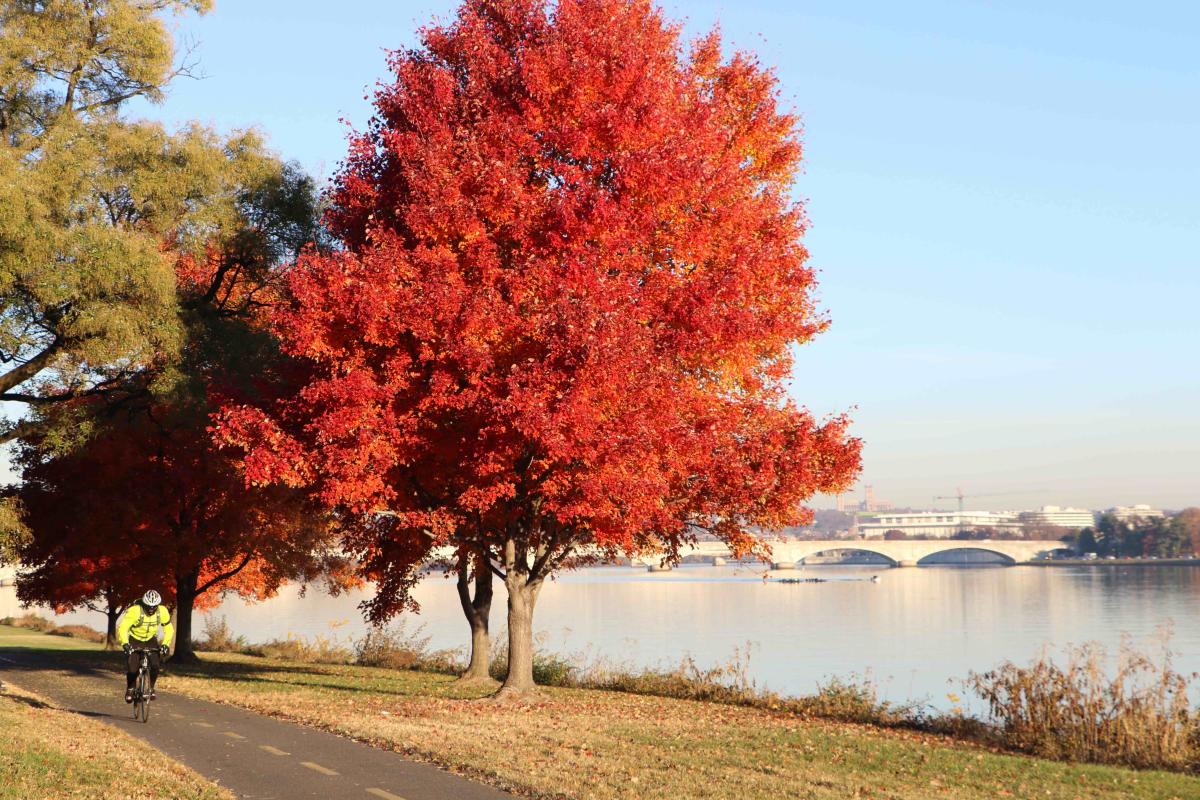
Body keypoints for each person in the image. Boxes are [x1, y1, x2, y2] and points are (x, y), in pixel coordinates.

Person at [116, 590, 173, 703]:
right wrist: (125, 643)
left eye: (154, 607)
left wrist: (166, 644)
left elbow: (168, 629)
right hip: (135, 639)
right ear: (144, 603)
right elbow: (123, 628)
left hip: (151, 639)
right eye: (149, 606)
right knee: (132, 669)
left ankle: (151, 688)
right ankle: (130, 688)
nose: (151, 609)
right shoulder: (135, 611)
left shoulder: (162, 611)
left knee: (156, 665)